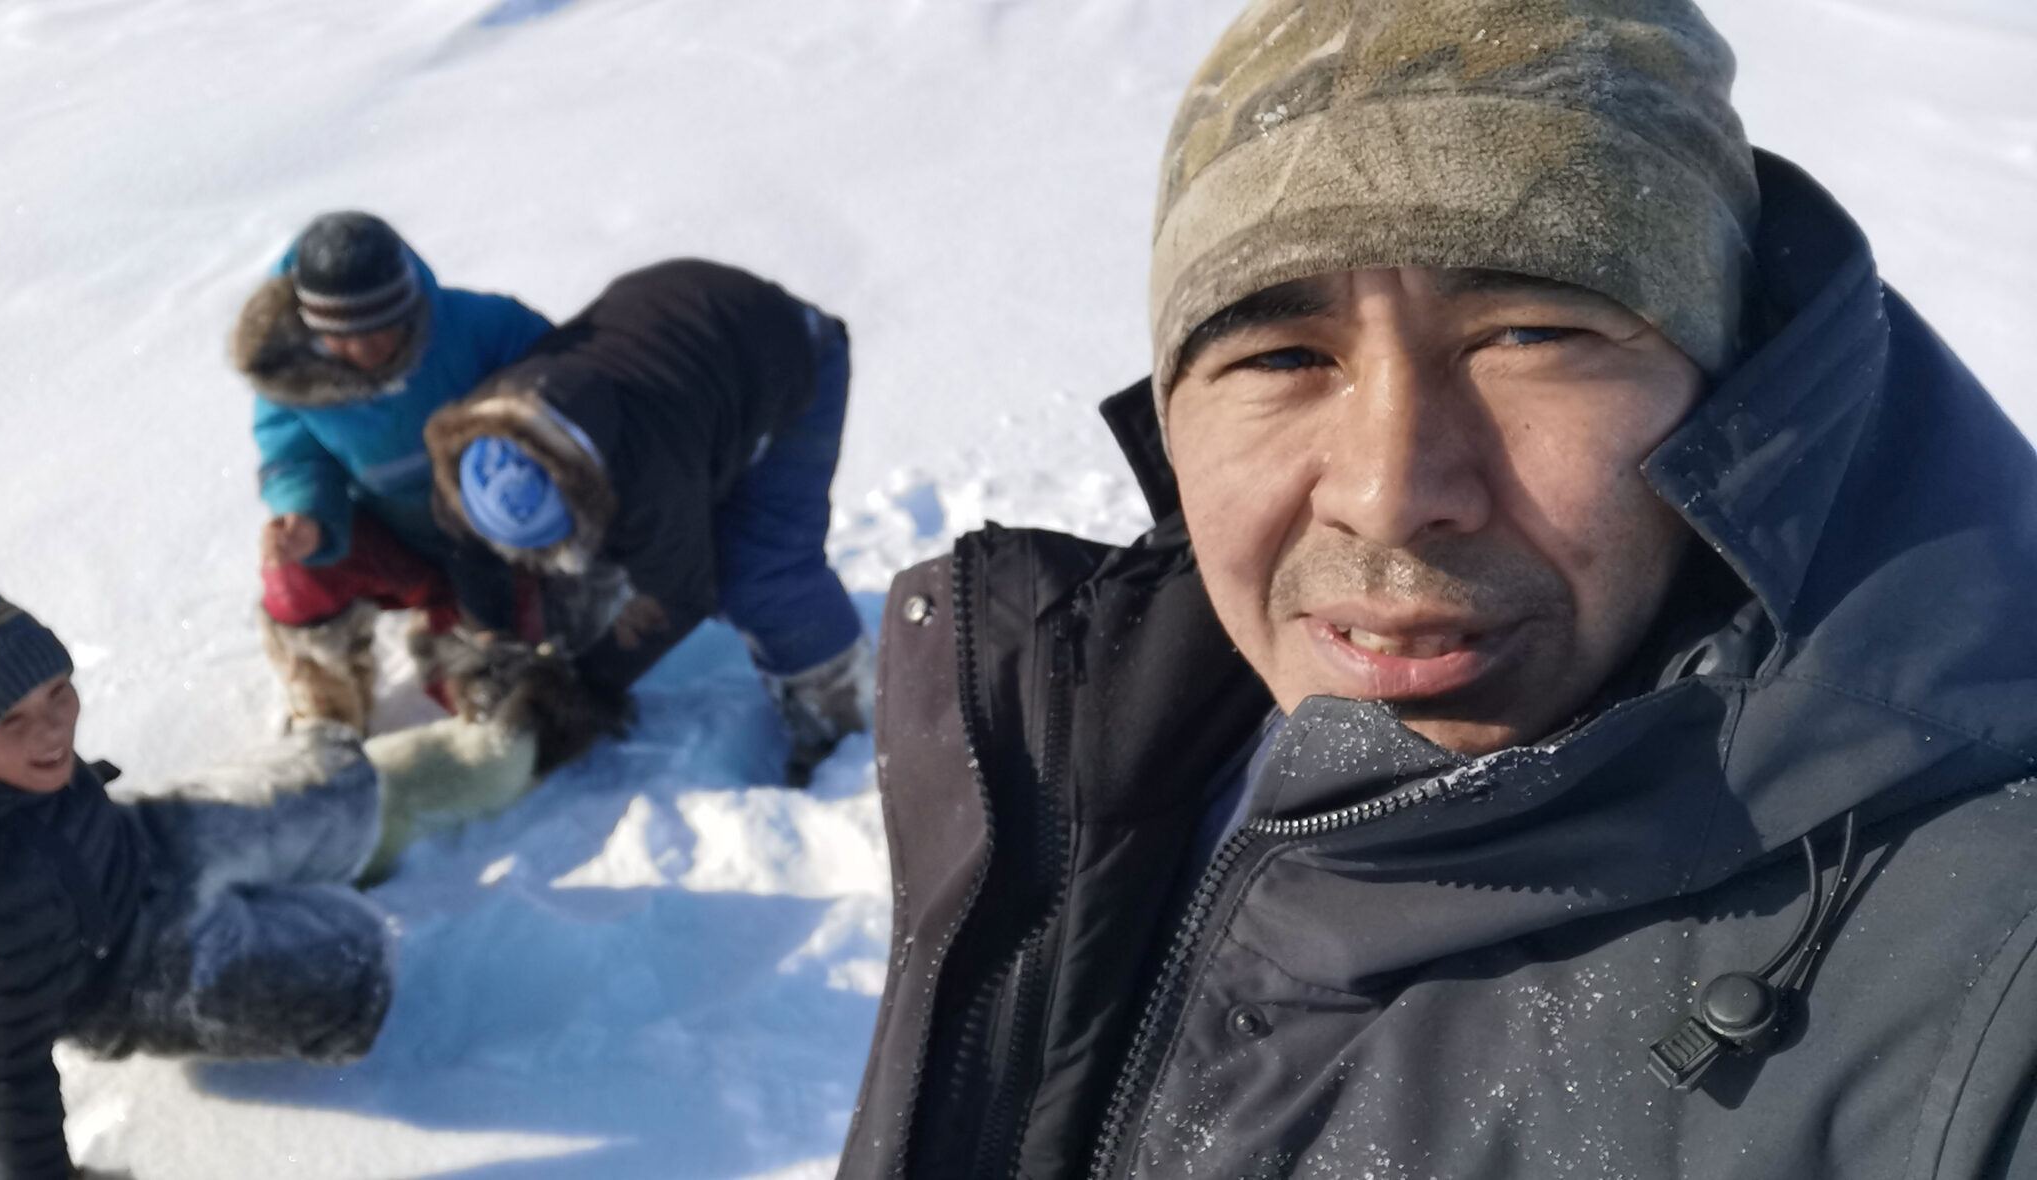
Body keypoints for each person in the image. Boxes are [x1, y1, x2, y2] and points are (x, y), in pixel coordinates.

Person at [838, 1, 2037, 1177]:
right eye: (1280, 355)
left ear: (1730, 395)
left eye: (1529, 334)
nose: (1388, 488)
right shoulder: (1080, 750)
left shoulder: (1987, 965)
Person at [0, 581, 395, 1180]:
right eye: (11, 719)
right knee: (361, 963)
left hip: (144, 845)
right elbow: (7, 1070)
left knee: (348, 784)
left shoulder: (7, 760)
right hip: (126, 974)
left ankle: (337, 849)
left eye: (57, 693)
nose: (51, 732)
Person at [420, 258, 870, 784]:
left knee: (759, 572)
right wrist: (492, 639)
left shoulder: (647, 482)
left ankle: (843, 729)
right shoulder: (473, 457)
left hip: (788, 354)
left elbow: (682, 593)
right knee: (595, 570)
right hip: (681, 338)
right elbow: (466, 547)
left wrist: (586, 687)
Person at [230, 211, 552, 730]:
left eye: (383, 330)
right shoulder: (293, 374)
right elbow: (294, 452)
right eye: (344, 336)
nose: (365, 350)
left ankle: (482, 666)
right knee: (293, 577)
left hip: (495, 543)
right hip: (394, 538)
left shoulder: (483, 327)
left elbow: (562, 390)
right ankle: (330, 719)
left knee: (494, 698)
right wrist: (305, 512)